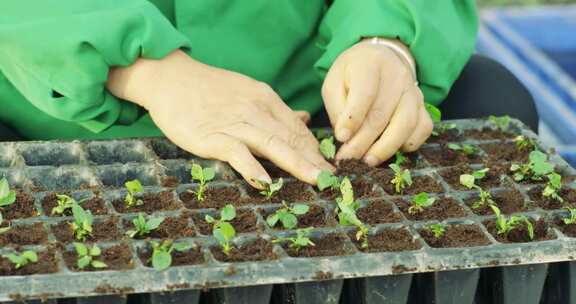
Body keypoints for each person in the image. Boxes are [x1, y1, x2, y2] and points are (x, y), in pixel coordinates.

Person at [0, 1, 537, 189]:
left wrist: (385, 41)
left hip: (313, 111)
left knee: (491, 99)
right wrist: (148, 73)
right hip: (69, 115)